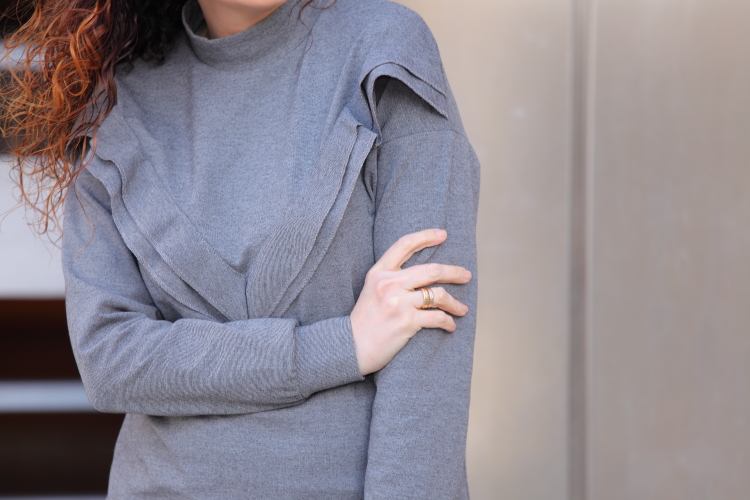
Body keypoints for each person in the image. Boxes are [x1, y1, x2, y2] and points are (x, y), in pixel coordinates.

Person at [2, 0, 480, 497]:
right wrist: (338, 346)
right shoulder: (120, 96)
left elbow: (429, 362)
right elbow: (110, 359)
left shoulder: (381, 48)